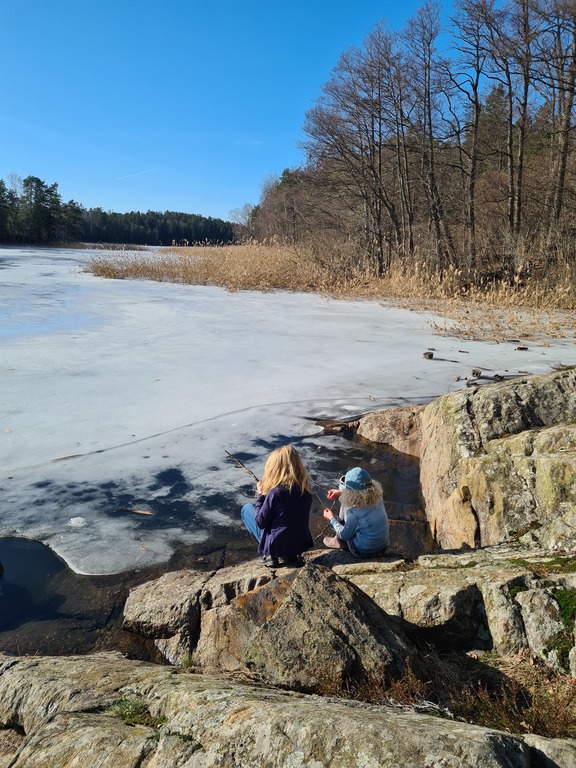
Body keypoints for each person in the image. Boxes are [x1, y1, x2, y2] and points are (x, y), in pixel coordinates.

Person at [241, 445, 313, 568]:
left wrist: (260, 496)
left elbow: (260, 522)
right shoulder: (305, 491)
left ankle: (269, 556)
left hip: (276, 544)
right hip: (299, 544)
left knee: (246, 509)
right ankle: (290, 555)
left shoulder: (276, 493)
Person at [322, 467, 389, 558]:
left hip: (363, 551)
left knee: (345, 503)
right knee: (346, 501)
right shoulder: (378, 498)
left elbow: (345, 535)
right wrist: (341, 493)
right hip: (383, 547)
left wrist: (331, 519)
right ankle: (340, 540)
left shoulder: (352, 512)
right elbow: (361, 494)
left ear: (351, 493)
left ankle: (339, 541)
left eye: (346, 491)